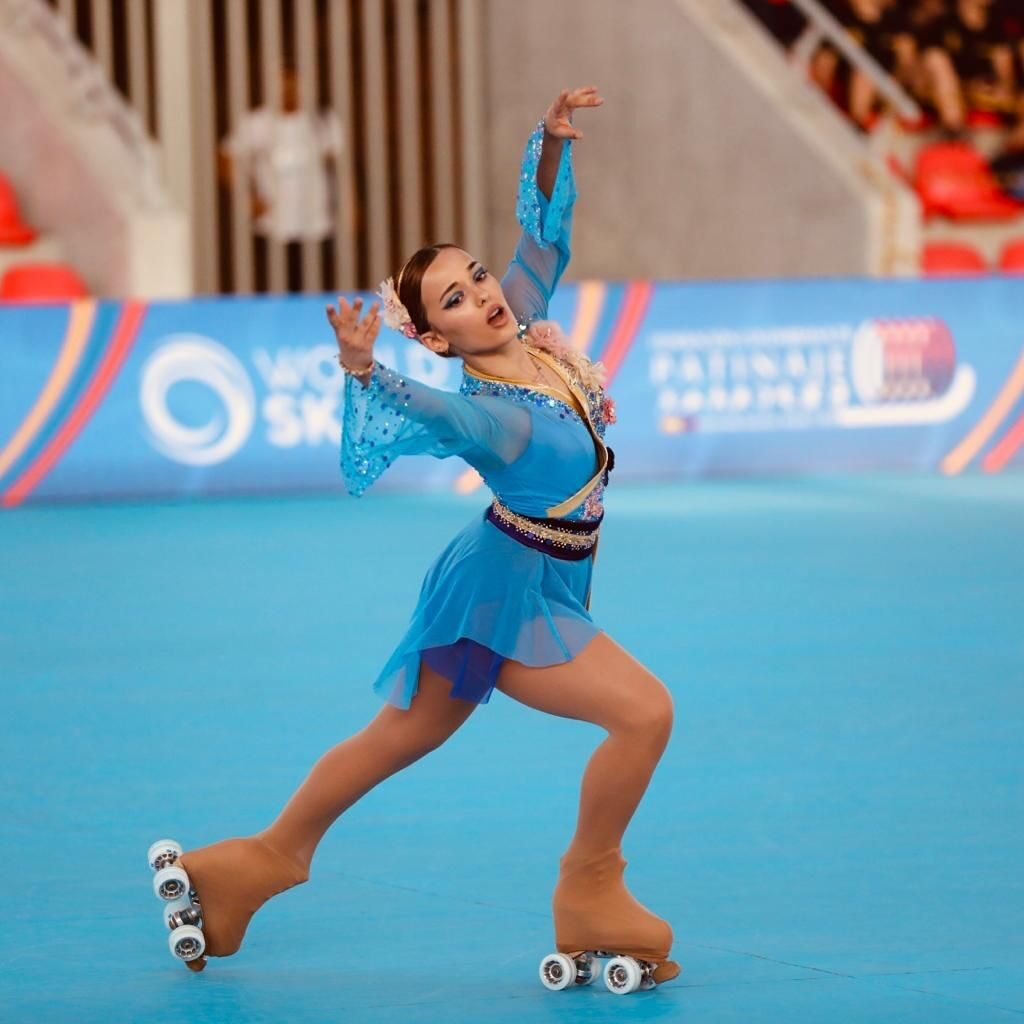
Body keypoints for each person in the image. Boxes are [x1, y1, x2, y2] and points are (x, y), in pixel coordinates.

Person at [155, 86, 681, 990]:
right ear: (437, 339)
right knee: (644, 713)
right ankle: (590, 887)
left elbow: (541, 244)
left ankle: (252, 865)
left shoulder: (527, 326)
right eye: (457, 299)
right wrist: (365, 370)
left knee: (401, 735)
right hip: (504, 593)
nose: (485, 295)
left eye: (476, 277)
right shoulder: (493, 418)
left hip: (529, 571)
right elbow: (435, 415)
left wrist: (552, 146)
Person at [219, 58, 348, 291]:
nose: (289, 90)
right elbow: (226, 157)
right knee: (272, 290)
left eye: (294, 84)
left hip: (316, 225)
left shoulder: (323, 121)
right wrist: (247, 197)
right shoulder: (256, 123)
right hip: (272, 227)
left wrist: (348, 207)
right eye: (283, 84)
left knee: (317, 290)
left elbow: (342, 167)